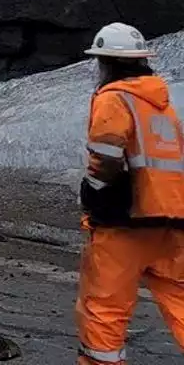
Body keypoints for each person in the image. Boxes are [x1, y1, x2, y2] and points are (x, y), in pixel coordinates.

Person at [77, 22, 184, 364]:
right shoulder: (162, 104)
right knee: (179, 300)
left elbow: (106, 155)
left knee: (105, 308)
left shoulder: (114, 97)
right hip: (172, 220)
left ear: (106, 62)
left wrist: (93, 192)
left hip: (124, 221)